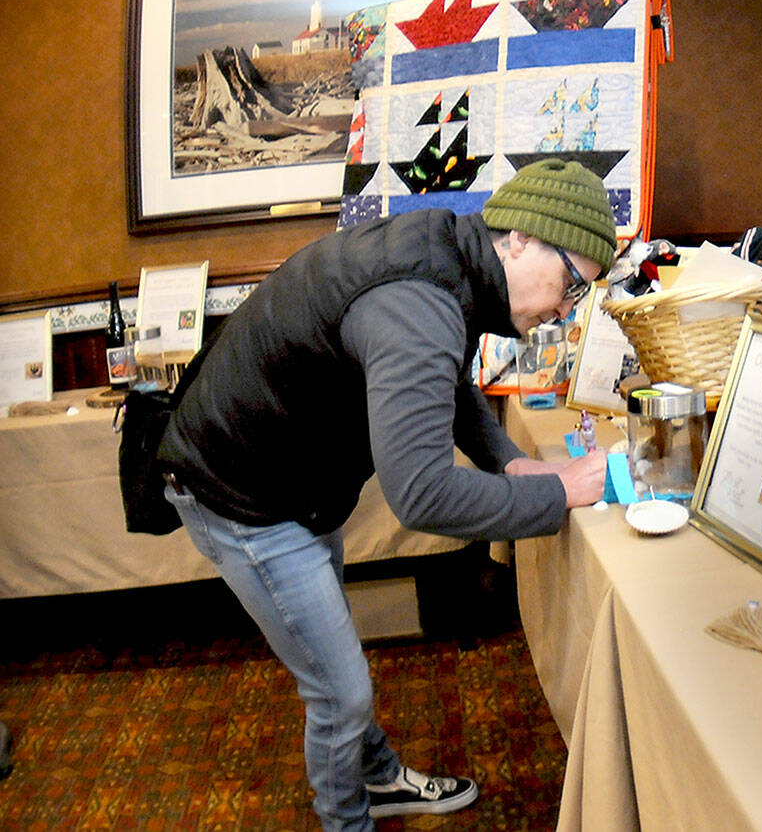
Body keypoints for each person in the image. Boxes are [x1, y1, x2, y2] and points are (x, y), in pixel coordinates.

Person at [157, 158, 613, 831]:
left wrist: (512, 465)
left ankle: (377, 778)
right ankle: (348, 821)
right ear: (518, 239)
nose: (563, 312)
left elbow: (446, 380)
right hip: (241, 494)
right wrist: (559, 495)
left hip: (290, 481)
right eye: (571, 284)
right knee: (339, 692)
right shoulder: (421, 300)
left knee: (331, 655)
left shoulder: (444, 253)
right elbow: (423, 495)